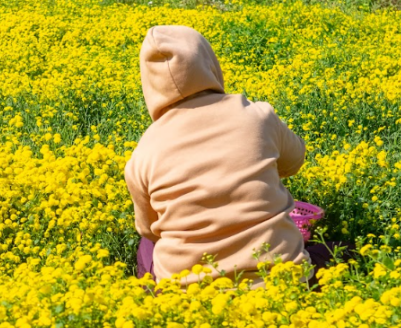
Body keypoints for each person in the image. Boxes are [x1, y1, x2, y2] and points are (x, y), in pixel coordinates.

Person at [125, 26, 310, 287]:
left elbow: (148, 228)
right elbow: (295, 161)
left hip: (190, 293)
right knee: (335, 251)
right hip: (279, 283)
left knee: (146, 246)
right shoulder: (257, 116)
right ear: (209, 63)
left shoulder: (144, 152)